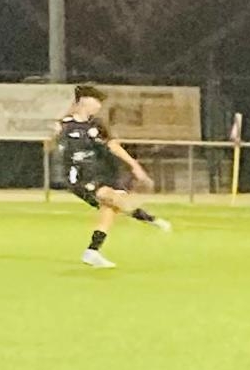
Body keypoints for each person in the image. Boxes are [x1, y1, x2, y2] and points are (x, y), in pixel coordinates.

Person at [52, 84, 171, 268]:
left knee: (110, 209)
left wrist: (135, 166)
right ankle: (152, 219)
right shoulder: (65, 125)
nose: (99, 106)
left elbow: (113, 145)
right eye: (96, 101)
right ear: (84, 102)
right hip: (79, 178)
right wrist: (57, 136)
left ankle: (92, 251)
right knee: (113, 198)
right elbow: (51, 145)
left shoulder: (97, 125)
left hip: (100, 174)